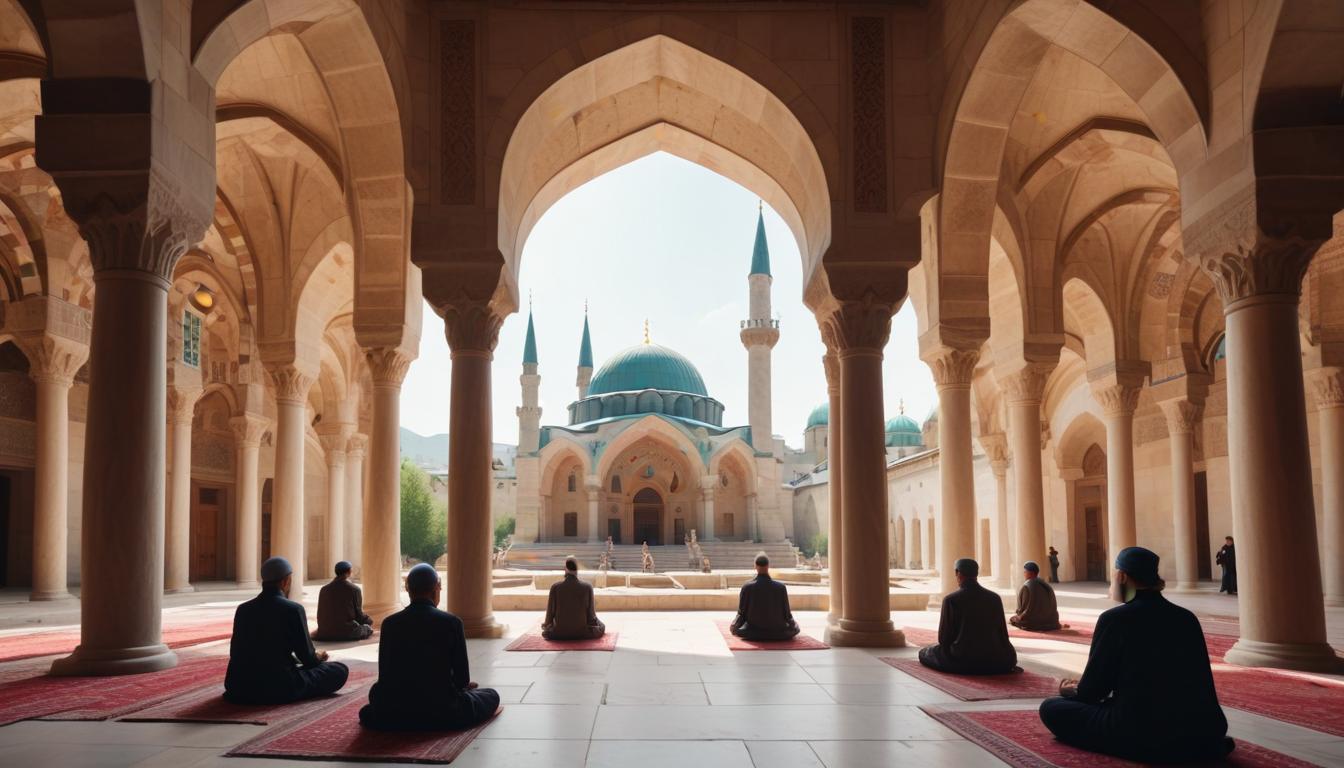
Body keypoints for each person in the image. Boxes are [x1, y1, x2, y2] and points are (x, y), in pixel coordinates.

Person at [1039, 547, 1233, 763]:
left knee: (1051, 708)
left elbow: (1093, 692)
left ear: (1122, 576)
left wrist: (1070, 690)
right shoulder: (1186, 618)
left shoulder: (1114, 619)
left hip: (1139, 726)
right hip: (1201, 727)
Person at [359, 563, 501, 731]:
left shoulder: (390, 623)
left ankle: (401, 718)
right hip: (441, 709)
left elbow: (385, 676)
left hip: (397, 709)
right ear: (437, 588)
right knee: (491, 696)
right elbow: (462, 679)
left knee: (368, 711)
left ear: (408, 589)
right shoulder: (452, 622)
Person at [224, 556, 350, 704]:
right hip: (277, 687)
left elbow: (241, 652)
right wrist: (318, 659)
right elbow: (308, 659)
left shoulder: (243, 609)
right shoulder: (293, 609)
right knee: (339, 670)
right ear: (285, 581)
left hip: (238, 686)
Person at [917, 558, 1017, 674]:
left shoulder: (951, 600)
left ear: (957, 573)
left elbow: (944, 639)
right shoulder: (995, 598)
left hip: (963, 658)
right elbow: (1003, 636)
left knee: (925, 653)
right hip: (995, 657)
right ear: (976, 573)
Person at [730, 553, 800, 641]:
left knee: (737, 630)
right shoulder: (780, 587)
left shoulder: (747, 587)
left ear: (755, 566)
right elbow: (787, 615)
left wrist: (734, 626)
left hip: (752, 632)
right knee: (796, 628)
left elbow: (741, 614)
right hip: (777, 632)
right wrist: (794, 625)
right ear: (768, 566)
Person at [541, 557, 605, 640]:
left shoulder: (555, 587)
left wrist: (547, 625)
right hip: (582, 633)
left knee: (545, 633)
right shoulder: (587, 587)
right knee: (602, 626)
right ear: (577, 570)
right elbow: (591, 617)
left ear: (565, 569)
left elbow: (549, 617)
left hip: (559, 633)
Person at [312, 560, 373, 641]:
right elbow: (359, 615)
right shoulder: (354, 589)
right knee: (368, 628)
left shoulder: (324, 589)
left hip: (324, 633)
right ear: (349, 571)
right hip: (347, 632)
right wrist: (369, 621)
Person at [1010, 561, 1063, 631]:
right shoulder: (1046, 584)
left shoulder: (1027, 586)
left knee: (1013, 619)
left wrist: (1019, 616)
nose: (1024, 574)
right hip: (1052, 621)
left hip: (1035, 622)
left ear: (1030, 573)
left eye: (1025, 572)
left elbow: (1025, 609)